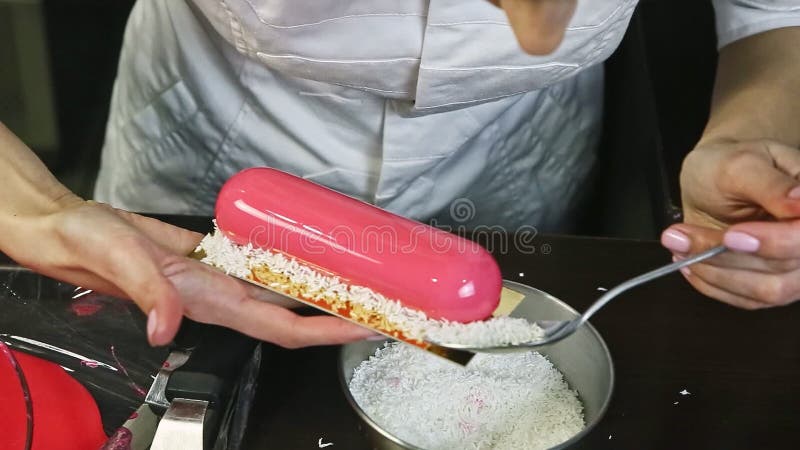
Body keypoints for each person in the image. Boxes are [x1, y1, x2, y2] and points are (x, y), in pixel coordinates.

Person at [1, 0, 799, 348]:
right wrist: (34, 210)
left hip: (511, 158)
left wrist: (749, 128)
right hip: (217, 142)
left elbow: (774, 12)